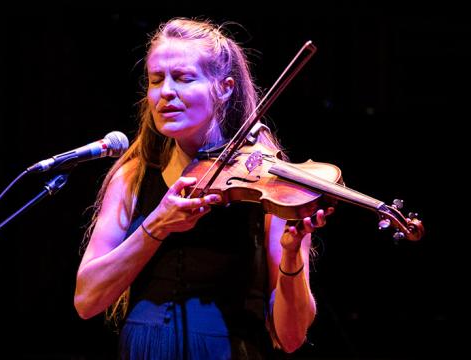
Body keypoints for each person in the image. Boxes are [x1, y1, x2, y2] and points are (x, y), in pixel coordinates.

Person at [74, 17, 333, 359]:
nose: (165, 92)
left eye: (183, 78)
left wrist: (289, 256)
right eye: (155, 80)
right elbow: (87, 300)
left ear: (224, 88)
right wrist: (157, 225)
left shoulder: (271, 183)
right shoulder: (133, 175)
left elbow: (291, 336)